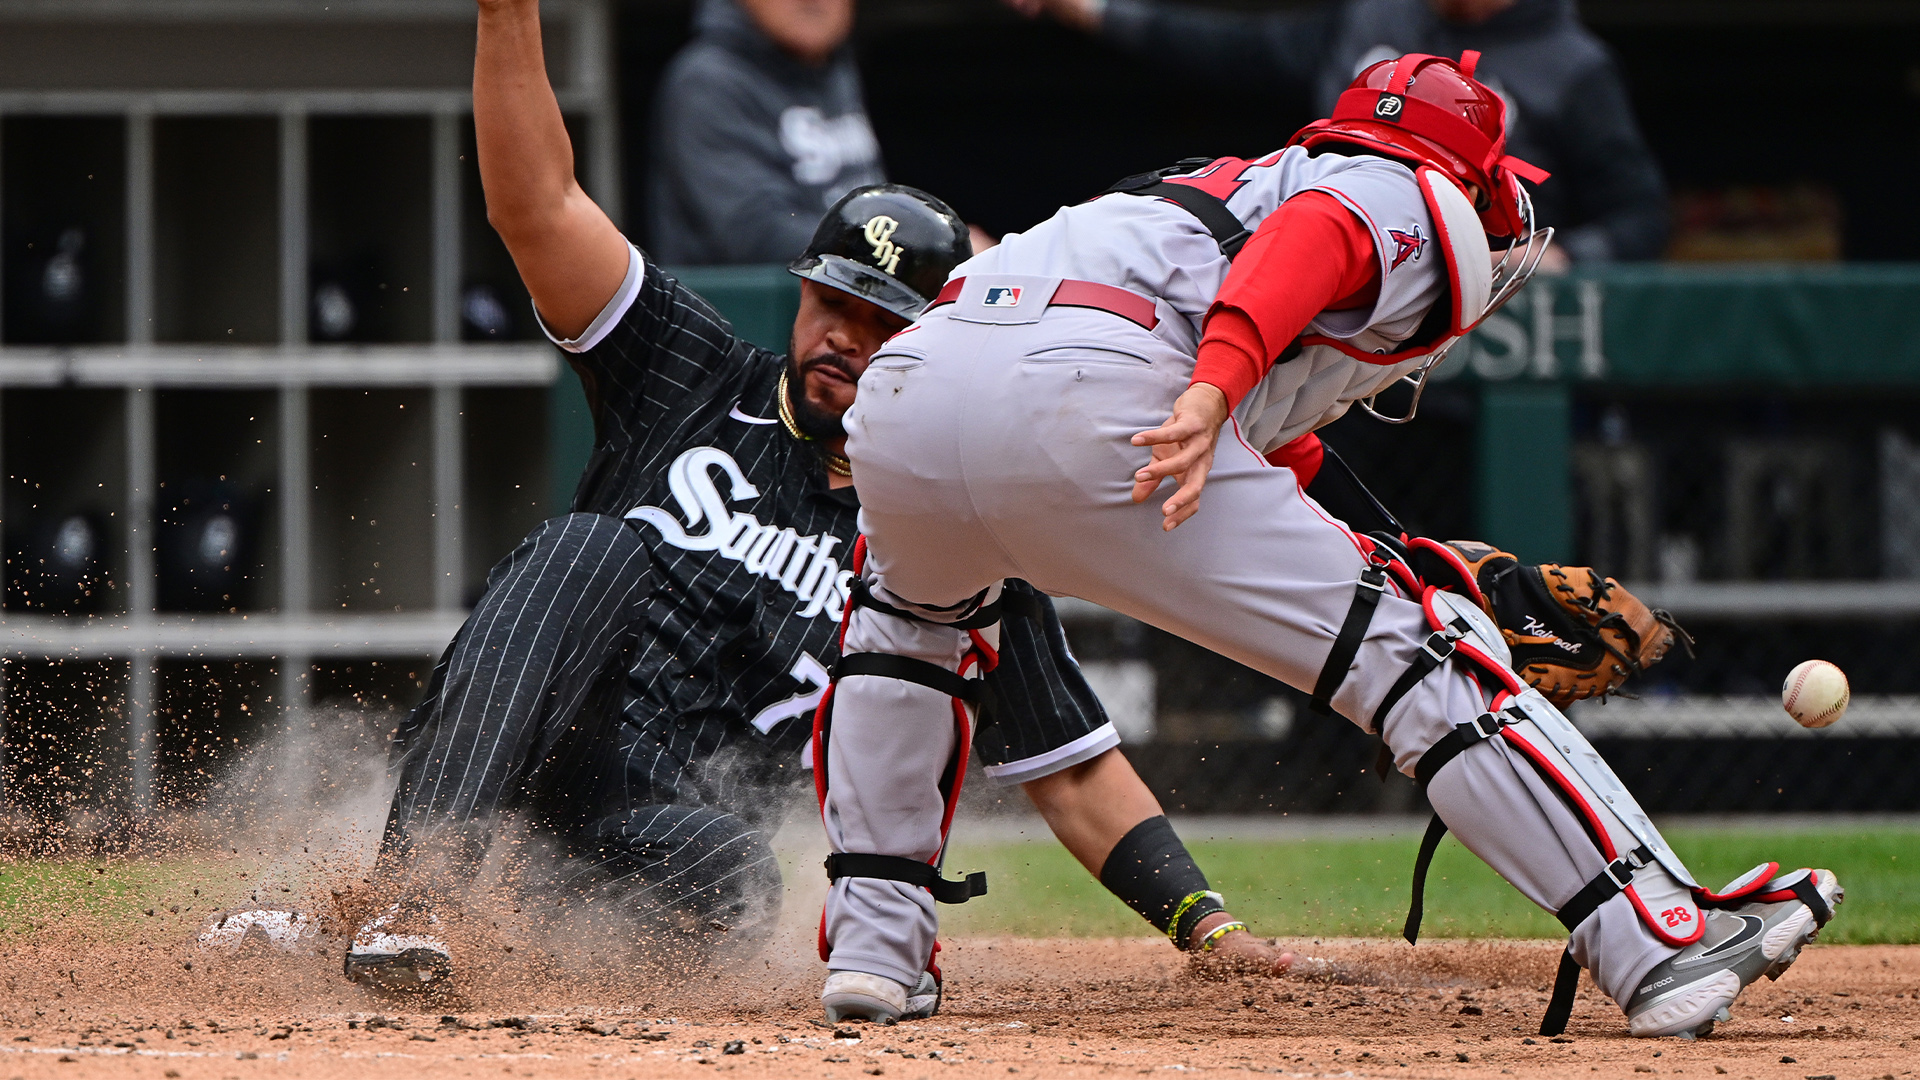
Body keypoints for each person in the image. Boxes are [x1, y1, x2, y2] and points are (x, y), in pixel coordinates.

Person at [263, 0, 1295, 1005]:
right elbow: (538, 207)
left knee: (738, 878)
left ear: (940, 341)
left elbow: (1074, 773)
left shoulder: (948, 540)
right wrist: (504, 13)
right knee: (593, 547)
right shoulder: (692, 372)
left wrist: (1209, 925)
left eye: (880, 319)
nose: (842, 334)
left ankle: (472, 938)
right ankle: (401, 898)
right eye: (829, 301)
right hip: (524, 733)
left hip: (640, 820)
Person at [808, 51, 1841, 1038]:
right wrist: (1217, 382)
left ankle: (874, 955)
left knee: (906, 636)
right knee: (1418, 657)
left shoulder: (1199, 195)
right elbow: (1316, 240)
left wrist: (1418, 557)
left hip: (915, 393)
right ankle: (1661, 940)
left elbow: (1285, 488)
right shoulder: (1397, 183)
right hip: (1103, 392)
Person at [1007, 0, 1667, 268]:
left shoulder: (1574, 65)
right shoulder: (1374, 15)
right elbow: (1237, 51)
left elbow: (1641, 213)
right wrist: (1094, 11)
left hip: (1483, 332)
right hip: (1335, 301)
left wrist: (1562, 258)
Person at [647, 0, 885, 264]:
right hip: (742, 303)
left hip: (842, 289)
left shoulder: (836, 70)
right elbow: (756, 234)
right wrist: (886, 251)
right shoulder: (708, 81)